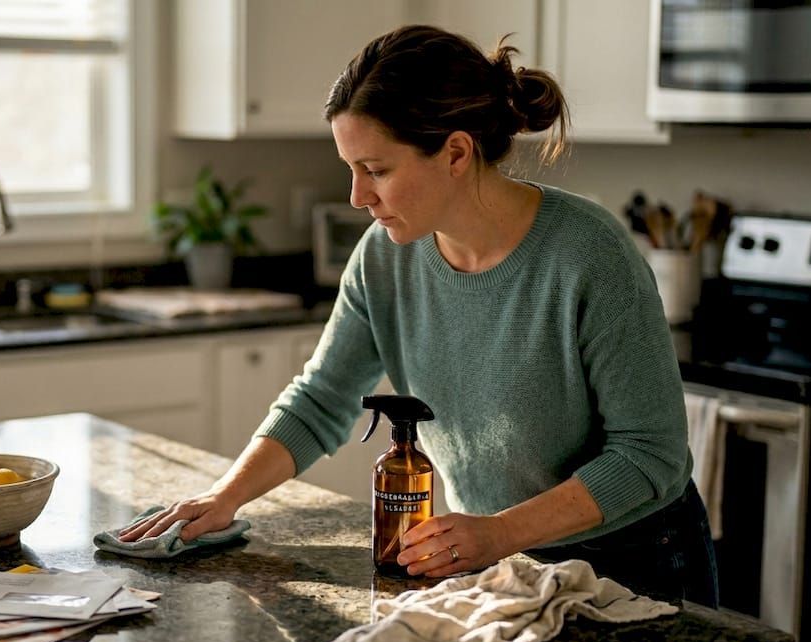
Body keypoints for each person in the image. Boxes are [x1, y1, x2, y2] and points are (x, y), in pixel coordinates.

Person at [121, 25, 718, 606]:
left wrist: (499, 532)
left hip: (635, 562)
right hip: (503, 563)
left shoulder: (589, 255)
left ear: (456, 152)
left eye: (376, 170)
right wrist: (226, 498)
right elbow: (322, 397)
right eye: (350, 169)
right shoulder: (386, 257)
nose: (358, 196)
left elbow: (650, 455)